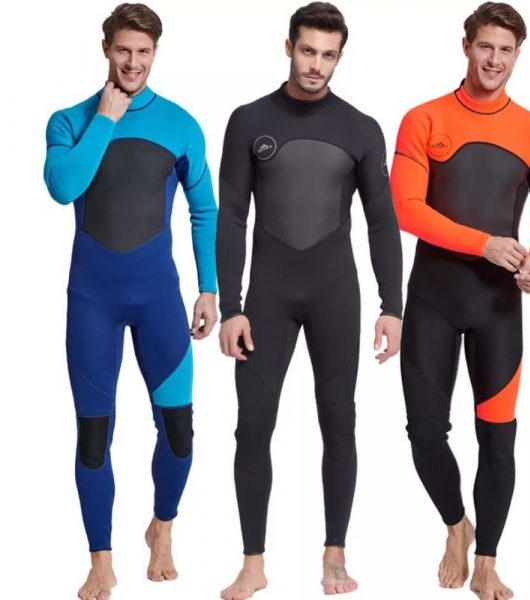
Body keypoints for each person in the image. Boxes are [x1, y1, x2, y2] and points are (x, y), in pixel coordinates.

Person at [216, 2, 403, 598]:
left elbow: (382, 221)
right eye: (307, 51)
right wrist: (231, 306)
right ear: (288, 47)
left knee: (339, 422)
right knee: (252, 426)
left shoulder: (361, 128)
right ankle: (253, 562)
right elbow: (231, 217)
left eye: (328, 54)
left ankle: (334, 554)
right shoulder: (249, 120)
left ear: (339, 57)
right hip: (266, 296)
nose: (316, 64)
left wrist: (392, 305)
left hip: (334, 293)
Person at [390, 3, 530, 599]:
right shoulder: (424, 119)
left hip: (498, 309)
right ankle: (456, 525)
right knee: (424, 434)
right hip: (433, 303)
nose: (495, 60)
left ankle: (487, 559)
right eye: (485, 46)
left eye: (506, 50)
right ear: (466, 46)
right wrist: (485, 244)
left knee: (497, 438)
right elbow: (407, 209)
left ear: (518, 55)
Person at [43, 4, 218, 599]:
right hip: (91, 302)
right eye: (123, 50)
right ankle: (101, 561)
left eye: (143, 52)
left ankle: (161, 528)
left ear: (155, 53)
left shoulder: (181, 124)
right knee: (94, 436)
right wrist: (105, 120)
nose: (133, 62)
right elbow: (62, 187)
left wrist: (209, 288)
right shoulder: (69, 120)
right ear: (106, 50)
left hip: (158, 300)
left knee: (179, 430)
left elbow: (204, 210)